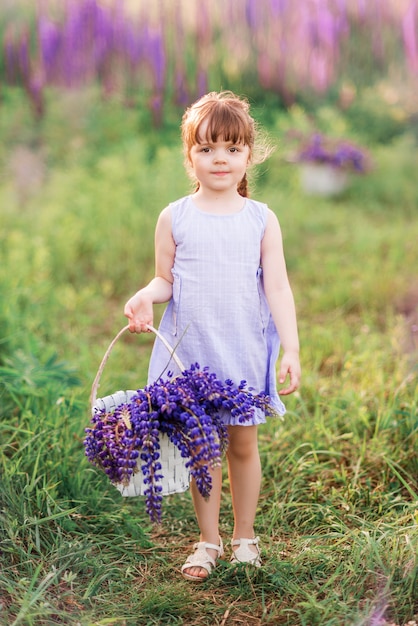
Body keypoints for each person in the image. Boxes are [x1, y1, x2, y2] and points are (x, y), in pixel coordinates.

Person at [124, 91, 301, 582]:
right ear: (190, 157)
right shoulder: (175, 217)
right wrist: (145, 296)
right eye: (206, 149)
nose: (219, 158)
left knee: (242, 445)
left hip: (241, 352)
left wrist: (292, 346)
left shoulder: (260, 219)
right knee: (203, 449)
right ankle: (208, 541)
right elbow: (166, 280)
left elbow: (278, 286)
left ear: (249, 154)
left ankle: (245, 536)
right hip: (191, 360)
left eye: (231, 148)